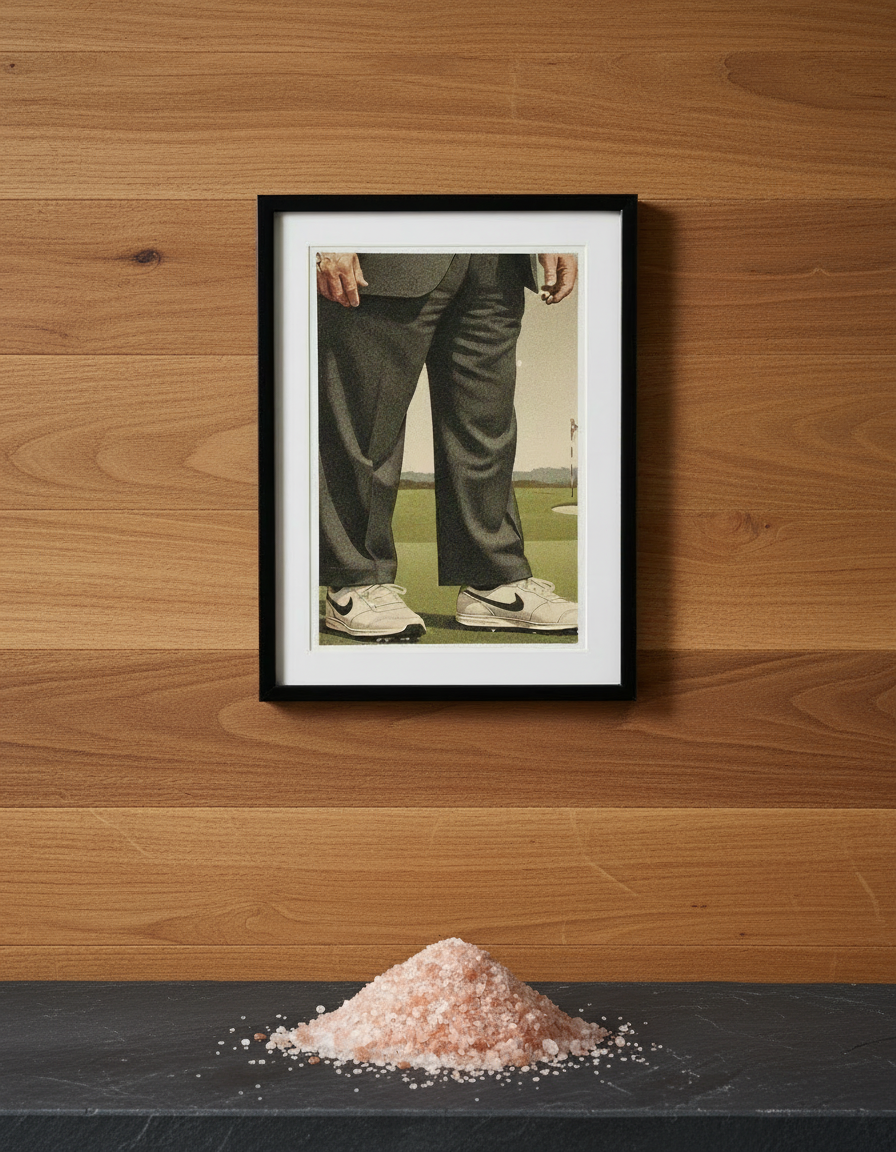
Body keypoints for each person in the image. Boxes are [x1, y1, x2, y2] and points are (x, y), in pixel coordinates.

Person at [316, 250, 578, 641]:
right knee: (367, 424)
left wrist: (556, 225)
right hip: (388, 252)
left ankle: (491, 582)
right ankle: (356, 580)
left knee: (487, 428)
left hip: (496, 259)